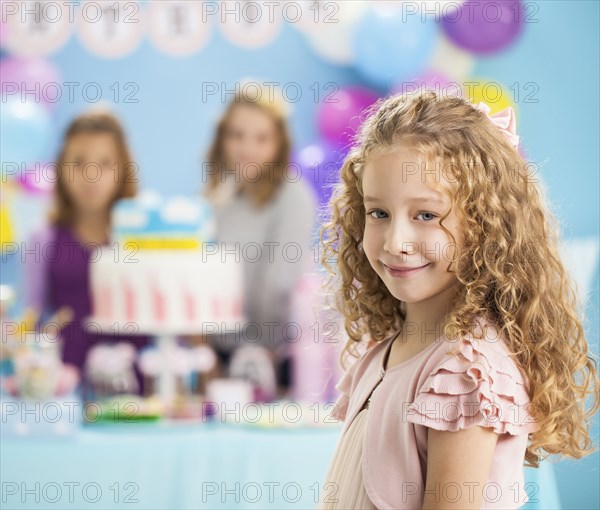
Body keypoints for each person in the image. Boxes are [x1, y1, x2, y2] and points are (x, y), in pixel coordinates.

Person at [317, 90, 599, 509]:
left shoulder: (466, 374)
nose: (396, 242)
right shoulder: (390, 344)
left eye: (426, 216)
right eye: (379, 213)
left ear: (485, 226)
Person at [24, 108, 152, 396]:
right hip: (68, 393)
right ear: (60, 166)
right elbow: (33, 318)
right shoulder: (43, 237)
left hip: (137, 393)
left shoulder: (143, 235)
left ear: (123, 169)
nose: (91, 175)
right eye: (78, 162)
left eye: (105, 163)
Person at [201, 85, 316, 396]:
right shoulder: (218, 198)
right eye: (236, 135)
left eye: (261, 138)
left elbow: (279, 283)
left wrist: (263, 353)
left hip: (272, 358)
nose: (246, 147)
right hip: (220, 355)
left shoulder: (292, 196)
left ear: (279, 143)